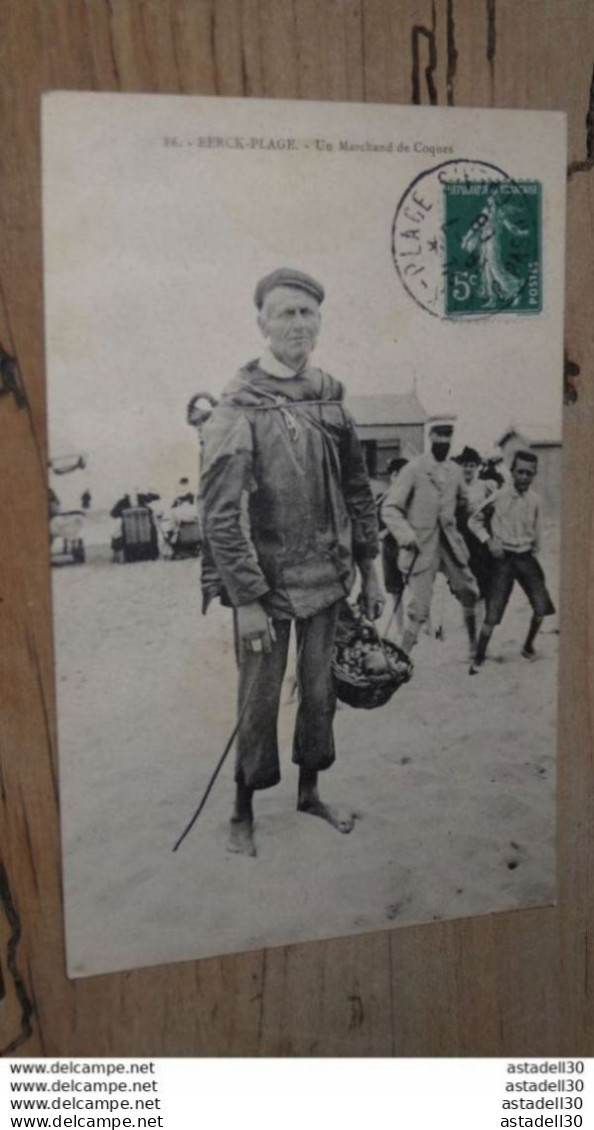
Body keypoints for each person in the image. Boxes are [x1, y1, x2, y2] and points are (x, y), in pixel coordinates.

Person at [200, 267, 382, 857]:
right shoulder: (238, 408)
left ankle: (309, 794)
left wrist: (371, 567)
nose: (298, 324)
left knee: (320, 690)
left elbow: (359, 488)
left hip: (328, 579)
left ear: (320, 321)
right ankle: (241, 810)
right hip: (266, 587)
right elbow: (221, 516)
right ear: (262, 325)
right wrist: (247, 600)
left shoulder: (331, 398)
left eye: (307, 313)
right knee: (257, 699)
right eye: (286, 313)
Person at [380, 420, 480, 656]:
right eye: (439, 435)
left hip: (450, 544)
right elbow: (390, 508)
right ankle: (402, 657)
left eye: (448, 436)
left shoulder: (455, 471)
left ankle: (475, 647)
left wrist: (476, 511)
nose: (444, 441)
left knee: (470, 591)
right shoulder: (414, 469)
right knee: (419, 608)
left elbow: (465, 504)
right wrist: (405, 534)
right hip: (421, 547)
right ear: (430, 436)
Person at [468, 449, 555, 673]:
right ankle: (479, 656)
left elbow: (537, 530)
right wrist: (488, 541)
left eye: (530, 473)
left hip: (525, 556)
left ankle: (528, 646)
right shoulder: (499, 496)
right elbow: (474, 520)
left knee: (541, 606)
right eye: (521, 472)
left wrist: (535, 553)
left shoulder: (535, 500)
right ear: (512, 471)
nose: (525, 477)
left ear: (535, 474)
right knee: (493, 612)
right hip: (503, 559)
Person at [453, 445, 497, 600]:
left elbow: (496, 507)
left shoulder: (486, 485)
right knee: (465, 584)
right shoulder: (454, 487)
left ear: (477, 467)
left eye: (472, 465)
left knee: (484, 581)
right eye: (465, 465)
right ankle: (470, 618)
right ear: (460, 467)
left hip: (481, 540)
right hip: (461, 539)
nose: (468, 469)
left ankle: (482, 619)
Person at [377, 457, 408, 640]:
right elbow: (377, 529)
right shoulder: (383, 498)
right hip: (389, 548)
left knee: (415, 588)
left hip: (407, 547)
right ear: (392, 476)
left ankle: (426, 627)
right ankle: (400, 627)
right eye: (397, 474)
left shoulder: (411, 499)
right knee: (395, 589)